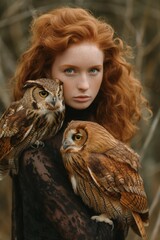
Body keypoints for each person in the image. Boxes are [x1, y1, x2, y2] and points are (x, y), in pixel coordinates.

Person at [10, 6, 151, 240]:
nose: (84, 84)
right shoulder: (37, 154)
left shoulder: (102, 132)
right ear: (47, 71)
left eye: (94, 70)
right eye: (71, 71)